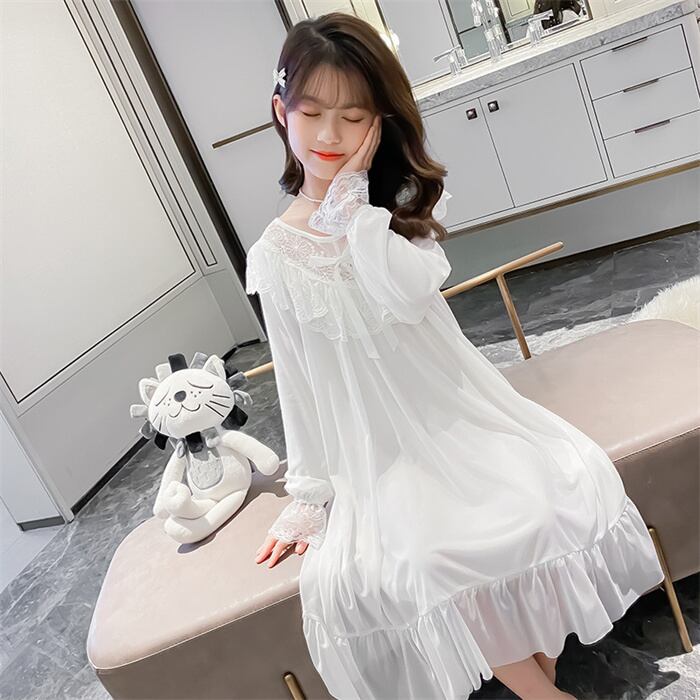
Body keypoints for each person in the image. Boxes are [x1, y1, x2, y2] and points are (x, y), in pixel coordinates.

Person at [246, 12, 665, 700]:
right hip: (378, 454)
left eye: (353, 116)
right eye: (312, 112)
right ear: (280, 112)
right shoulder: (272, 255)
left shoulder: (392, 215)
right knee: (428, 558)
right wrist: (309, 495)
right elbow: (299, 382)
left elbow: (406, 296)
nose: (329, 136)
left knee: (546, 505)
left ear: (379, 123)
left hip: (457, 417)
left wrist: (352, 210)